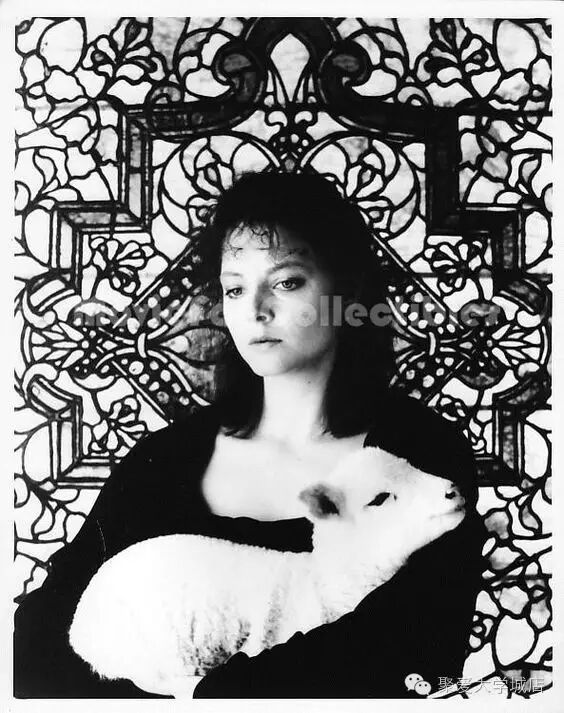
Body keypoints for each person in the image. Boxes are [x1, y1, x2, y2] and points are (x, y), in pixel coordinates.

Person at [13, 171, 486, 698]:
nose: (256, 309)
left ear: (347, 290)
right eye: (235, 288)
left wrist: (205, 700)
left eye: (287, 282)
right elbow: (38, 640)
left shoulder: (418, 452)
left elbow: (413, 652)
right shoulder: (165, 459)